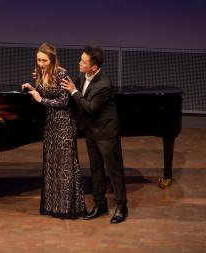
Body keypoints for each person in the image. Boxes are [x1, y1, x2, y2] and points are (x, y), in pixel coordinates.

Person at [61, 46, 128, 224]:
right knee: (96, 169)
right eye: (81, 59)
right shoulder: (83, 76)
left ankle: (122, 206)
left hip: (106, 133)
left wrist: (74, 91)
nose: (79, 63)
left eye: (83, 61)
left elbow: (90, 108)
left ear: (94, 67)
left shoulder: (104, 85)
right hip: (91, 131)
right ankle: (100, 205)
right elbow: (70, 88)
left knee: (114, 170)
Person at [22, 43, 85, 219]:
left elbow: (64, 102)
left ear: (52, 60)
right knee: (52, 166)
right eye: (38, 60)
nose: (41, 63)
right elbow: (45, 94)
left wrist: (40, 99)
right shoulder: (42, 73)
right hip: (50, 125)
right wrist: (33, 88)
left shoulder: (62, 74)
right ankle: (53, 206)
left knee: (65, 167)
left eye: (44, 60)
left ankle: (67, 208)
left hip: (64, 126)